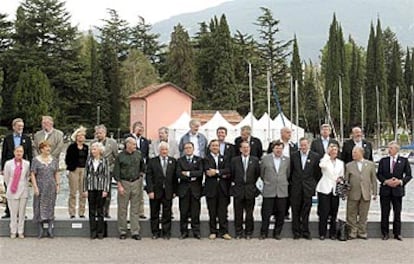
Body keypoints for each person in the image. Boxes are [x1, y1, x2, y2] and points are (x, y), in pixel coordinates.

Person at [377, 141, 412, 241]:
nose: (389, 150)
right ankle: (385, 233)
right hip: (385, 190)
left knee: (397, 212)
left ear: (396, 149)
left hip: (397, 191)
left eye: (391, 148)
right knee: (385, 212)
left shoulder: (404, 161)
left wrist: (400, 181)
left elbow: (409, 175)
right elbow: (379, 174)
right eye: (389, 148)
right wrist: (386, 181)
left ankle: (397, 233)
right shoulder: (383, 160)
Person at [113, 137, 145, 240]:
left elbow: (143, 167)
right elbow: (116, 172)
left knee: (135, 208)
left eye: (135, 144)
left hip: (136, 182)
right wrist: (119, 185)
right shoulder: (120, 156)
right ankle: (122, 231)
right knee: (122, 208)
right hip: (124, 182)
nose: (135, 146)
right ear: (128, 145)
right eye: (133, 144)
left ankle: (135, 231)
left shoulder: (138, 154)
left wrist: (140, 179)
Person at [1, 118, 33, 219]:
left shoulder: (26, 139)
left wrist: (31, 169)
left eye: (22, 126)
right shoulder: (7, 138)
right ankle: (9, 211)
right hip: (10, 167)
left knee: (22, 190)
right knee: (9, 189)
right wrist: (2, 168)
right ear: (14, 126)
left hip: (22, 168)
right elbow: (4, 154)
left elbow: (29, 155)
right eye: (19, 126)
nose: (20, 128)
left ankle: (21, 212)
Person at [290, 137, 321, 239]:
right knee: (295, 211)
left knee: (306, 211)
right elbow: (290, 172)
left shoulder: (315, 156)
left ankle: (306, 232)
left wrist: (313, 185)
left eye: (305, 145)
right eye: (301, 145)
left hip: (308, 188)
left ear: (308, 145)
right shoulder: (294, 156)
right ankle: (296, 232)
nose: (303, 147)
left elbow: (317, 173)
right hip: (296, 188)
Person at [146, 142, 177, 240]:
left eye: (166, 149)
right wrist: (150, 191)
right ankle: (155, 232)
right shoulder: (152, 161)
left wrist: (175, 191)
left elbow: (175, 178)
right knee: (154, 212)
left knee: (167, 213)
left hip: (168, 191)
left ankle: (166, 232)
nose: (164, 151)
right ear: (159, 150)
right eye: (162, 149)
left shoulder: (173, 161)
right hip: (155, 191)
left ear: (168, 150)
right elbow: (149, 177)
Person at [259, 140, 290, 240]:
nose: (278, 150)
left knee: (281, 213)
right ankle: (264, 233)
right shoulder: (265, 159)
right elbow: (262, 173)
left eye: (280, 148)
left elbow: (288, 174)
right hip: (269, 189)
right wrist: (268, 181)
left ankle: (277, 233)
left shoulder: (287, 160)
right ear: (273, 149)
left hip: (282, 190)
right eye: (277, 148)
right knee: (266, 213)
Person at [345, 146, 377, 239]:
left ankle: (362, 232)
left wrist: (375, 192)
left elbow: (373, 180)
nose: (353, 154)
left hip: (365, 193)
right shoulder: (349, 165)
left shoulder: (370, 164)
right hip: (353, 193)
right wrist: (345, 193)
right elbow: (346, 180)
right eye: (352, 152)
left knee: (364, 214)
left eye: (355, 152)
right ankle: (352, 232)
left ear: (361, 153)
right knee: (351, 214)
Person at [230, 141, 260, 240]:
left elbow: (257, 174)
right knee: (238, 213)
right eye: (244, 147)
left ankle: (248, 232)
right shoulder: (235, 160)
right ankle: (238, 232)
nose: (246, 149)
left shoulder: (255, 160)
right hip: (238, 190)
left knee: (249, 214)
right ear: (240, 149)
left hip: (250, 190)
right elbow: (232, 174)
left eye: (247, 147)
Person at [30, 141, 60, 238]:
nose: (48, 149)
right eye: (46, 147)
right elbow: (32, 174)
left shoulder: (54, 160)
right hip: (40, 186)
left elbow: (56, 173)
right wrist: (35, 187)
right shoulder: (35, 160)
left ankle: (50, 228)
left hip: (51, 186)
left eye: (49, 147)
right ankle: (40, 229)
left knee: (50, 206)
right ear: (41, 149)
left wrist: (58, 185)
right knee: (38, 206)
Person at [203, 139, 232, 240]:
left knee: (223, 211)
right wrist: (221, 173)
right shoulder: (206, 159)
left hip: (223, 188)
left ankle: (224, 232)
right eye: (213, 146)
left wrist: (216, 172)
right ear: (210, 147)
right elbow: (208, 171)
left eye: (217, 146)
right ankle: (213, 231)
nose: (215, 147)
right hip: (211, 188)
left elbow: (228, 171)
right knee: (212, 211)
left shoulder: (225, 158)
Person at [83, 142, 111, 239]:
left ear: (99, 150)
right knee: (91, 210)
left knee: (100, 210)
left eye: (94, 149)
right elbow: (85, 176)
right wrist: (85, 189)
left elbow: (107, 176)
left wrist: (105, 189)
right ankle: (93, 232)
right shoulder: (89, 160)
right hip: (91, 187)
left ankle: (100, 232)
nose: (92, 151)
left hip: (100, 187)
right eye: (92, 149)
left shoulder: (105, 161)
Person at [316, 143, 344, 240]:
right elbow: (321, 165)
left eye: (335, 150)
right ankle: (322, 233)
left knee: (334, 212)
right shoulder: (325, 160)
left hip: (335, 189)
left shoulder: (340, 163)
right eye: (331, 150)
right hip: (324, 188)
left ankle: (333, 233)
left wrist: (340, 179)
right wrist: (327, 155)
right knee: (324, 212)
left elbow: (341, 175)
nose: (333, 152)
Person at [176, 142, 203, 239]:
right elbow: (178, 174)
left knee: (195, 212)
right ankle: (184, 232)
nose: (188, 149)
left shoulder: (199, 160)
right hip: (184, 190)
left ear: (193, 149)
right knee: (183, 212)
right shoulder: (179, 161)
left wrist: (187, 173)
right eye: (186, 148)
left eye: (190, 148)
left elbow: (200, 173)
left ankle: (196, 231)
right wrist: (192, 176)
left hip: (195, 190)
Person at [91, 124, 118, 218]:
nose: (98, 135)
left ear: (105, 133)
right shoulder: (93, 142)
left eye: (100, 133)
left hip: (108, 171)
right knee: (95, 192)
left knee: (107, 193)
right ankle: (95, 211)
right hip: (95, 172)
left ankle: (106, 211)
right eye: (97, 133)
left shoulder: (112, 143)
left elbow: (116, 157)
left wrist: (113, 169)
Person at [3, 145, 31, 238]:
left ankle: (20, 231)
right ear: (14, 152)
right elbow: (6, 177)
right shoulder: (8, 163)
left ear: (23, 153)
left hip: (23, 189)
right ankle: (13, 231)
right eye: (17, 151)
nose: (19, 153)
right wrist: (11, 186)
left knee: (22, 212)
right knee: (13, 213)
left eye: (21, 151)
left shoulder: (27, 164)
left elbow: (27, 177)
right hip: (12, 190)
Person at [126, 121, 149, 220]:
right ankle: (128, 213)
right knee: (128, 193)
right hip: (129, 169)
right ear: (134, 128)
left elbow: (146, 155)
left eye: (142, 128)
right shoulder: (127, 138)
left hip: (140, 169)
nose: (141, 130)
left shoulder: (145, 141)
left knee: (140, 192)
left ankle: (141, 212)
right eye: (139, 128)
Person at [65, 126, 88, 219]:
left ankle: (81, 212)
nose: (81, 137)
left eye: (82, 136)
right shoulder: (71, 147)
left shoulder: (86, 147)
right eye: (79, 136)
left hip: (84, 169)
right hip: (74, 170)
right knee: (73, 192)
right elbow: (67, 159)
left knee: (83, 192)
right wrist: (70, 167)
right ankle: (72, 212)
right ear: (76, 137)